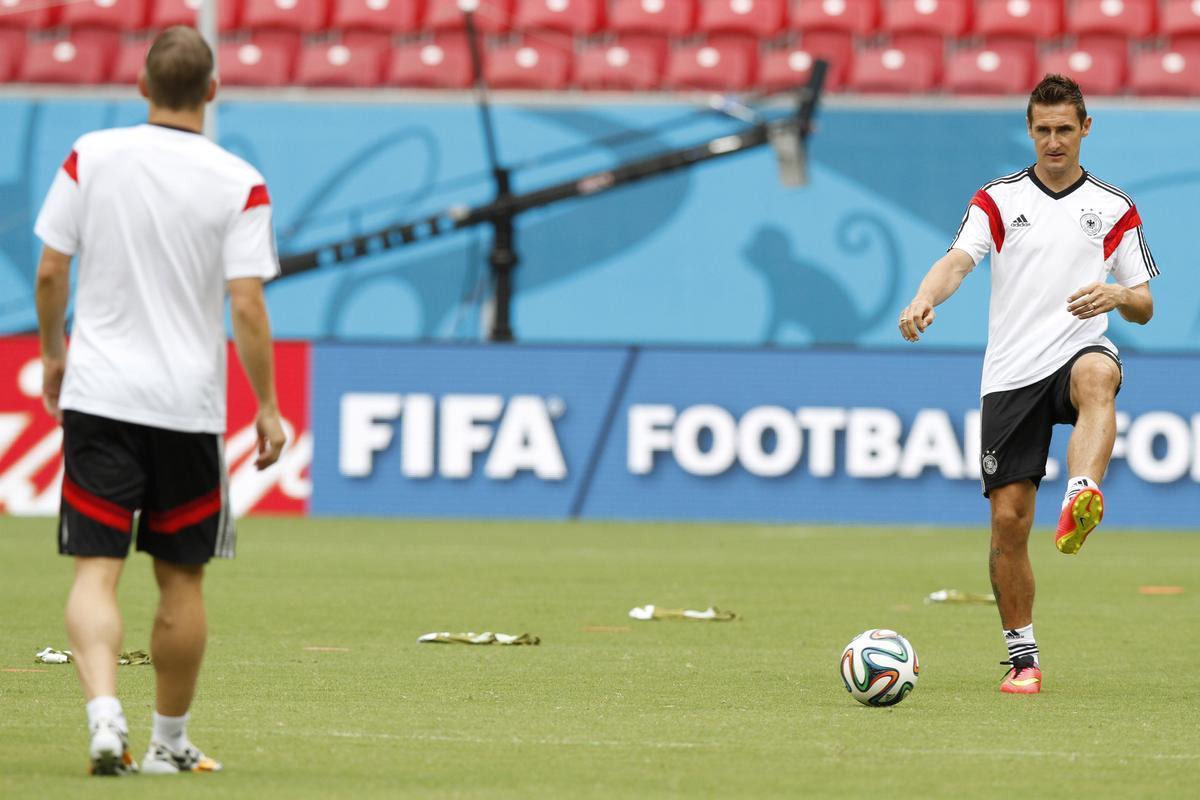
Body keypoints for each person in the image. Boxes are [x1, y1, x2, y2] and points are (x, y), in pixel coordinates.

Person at [34, 26, 286, 775]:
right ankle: (167, 744)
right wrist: (266, 404)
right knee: (181, 580)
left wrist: (53, 354)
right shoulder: (240, 179)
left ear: (141, 85)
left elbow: (51, 271)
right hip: (187, 407)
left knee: (94, 571)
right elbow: (246, 304)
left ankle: (102, 711)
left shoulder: (92, 155)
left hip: (101, 395)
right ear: (212, 92)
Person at [897, 74, 1157, 695]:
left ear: (1086, 128)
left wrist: (1117, 293)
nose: (1054, 141)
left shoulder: (1114, 207)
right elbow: (958, 260)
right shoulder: (997, 199)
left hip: (1078, 348)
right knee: (1009, 522)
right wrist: (924, 298)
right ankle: (1023, 658)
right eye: (1042, 129)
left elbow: (1144, 303)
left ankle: (1083, 490)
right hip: (1012, 371)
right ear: (1029, 130)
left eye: (1065, 129)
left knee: (1100, 374)